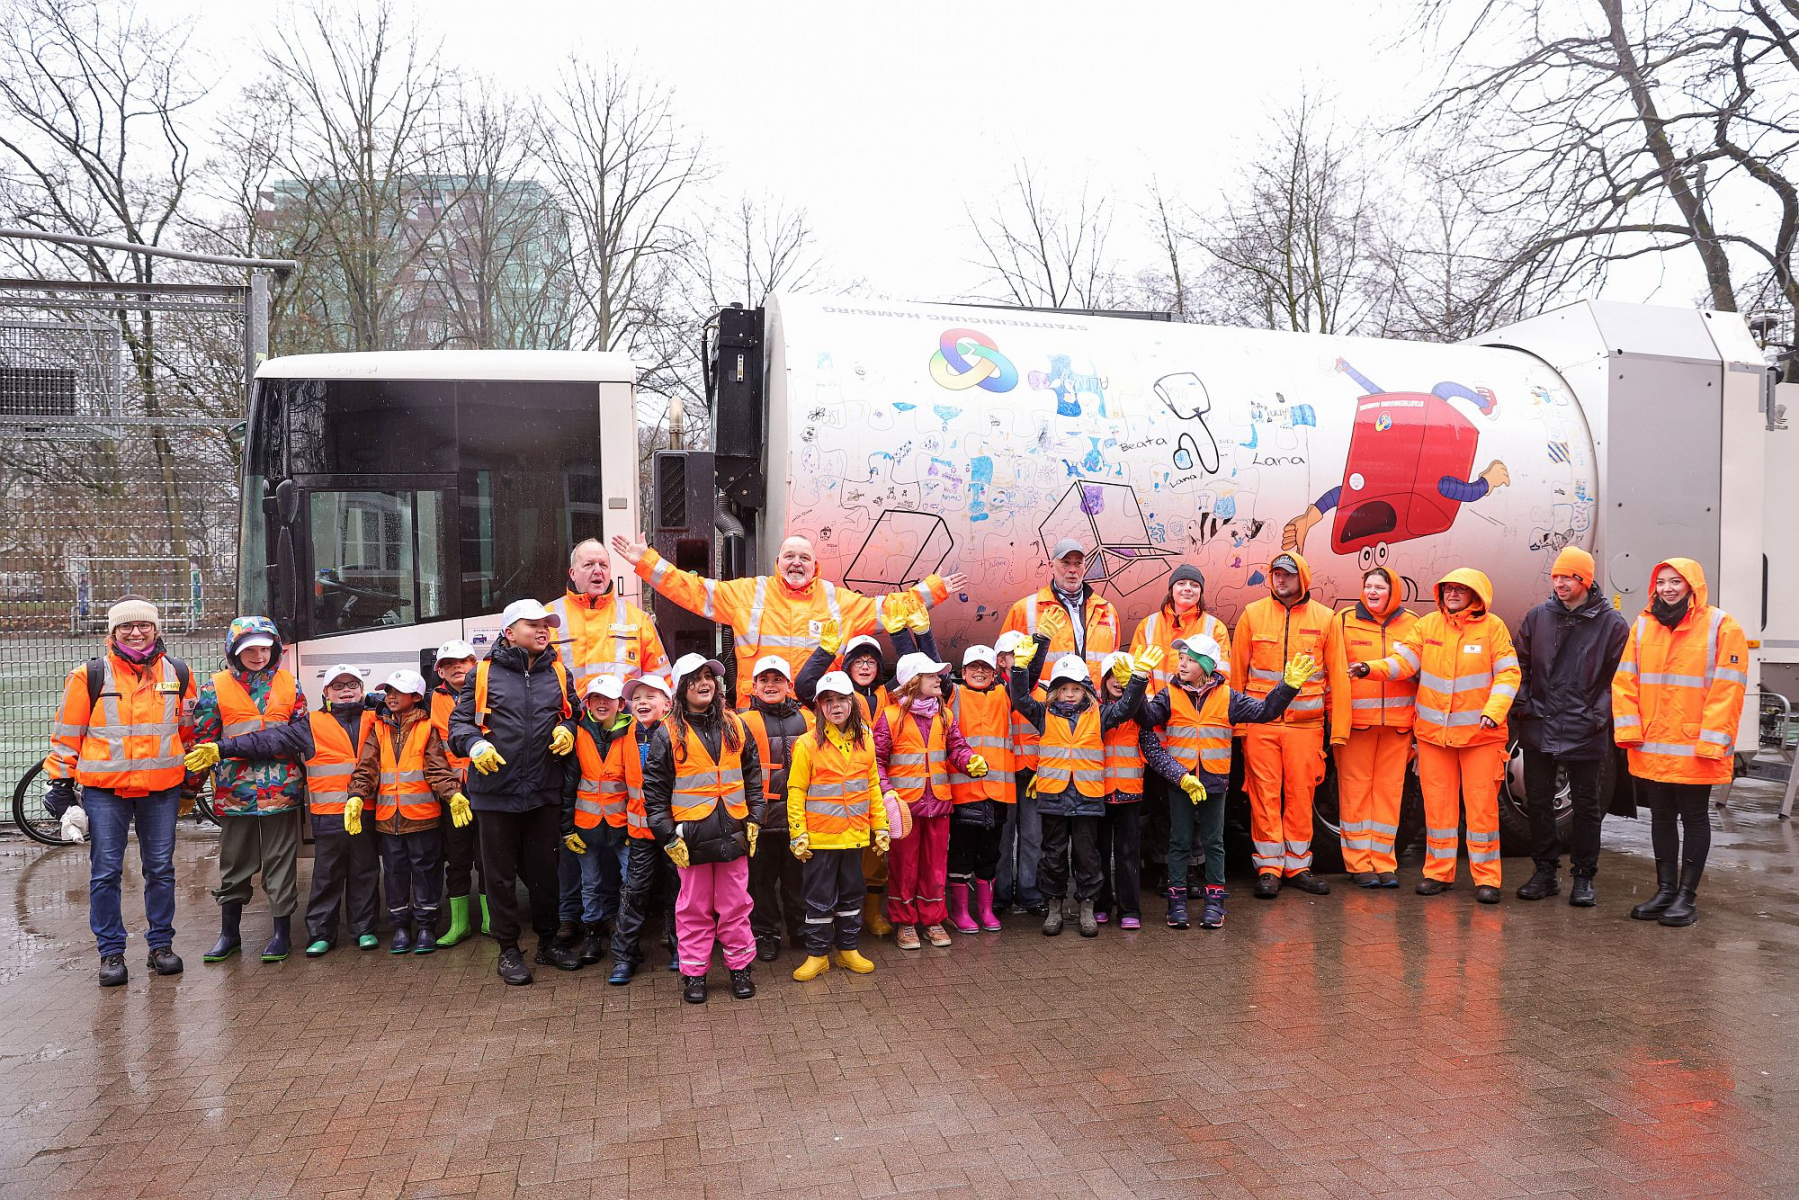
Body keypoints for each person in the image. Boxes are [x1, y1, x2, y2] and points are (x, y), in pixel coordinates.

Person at [612, 531, 964, 705]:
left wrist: (934, 590)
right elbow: (691, 590)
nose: (796, 563)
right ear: (778, 563)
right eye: (789, 556)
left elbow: (889, 609)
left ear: (815, 566)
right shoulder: (748, 593)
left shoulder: (836, 600)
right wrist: (646, 562)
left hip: (818, 713)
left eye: (804, 558)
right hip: (757, 712)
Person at [43, 597, 197, 987]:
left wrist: (193, 782)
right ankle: (111, 951)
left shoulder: (178, 672)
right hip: (104, 792)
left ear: (156, 629)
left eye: (143, 625)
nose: (135, 632)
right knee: (106, 872)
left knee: (160, 869)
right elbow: (67, 734)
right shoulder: (89, 676)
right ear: (111, 633)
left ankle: (161, 945)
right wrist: (60, 782)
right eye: (125, 627)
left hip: (161, 790)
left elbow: (190, 734)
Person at [1350, 569, 1519, 903]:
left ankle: (1487, 879)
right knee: (1438, 810)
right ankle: (1438, 873)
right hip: (1434, 738)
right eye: (1449, 589)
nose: (1453, 594)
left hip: (1480, 738)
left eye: (1460, 589)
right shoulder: (1427, 625)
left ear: (1476, 595)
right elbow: (1404, 663)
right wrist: (1372, 668)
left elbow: (1509, 673)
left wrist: (1494, 711)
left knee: (1481, 811)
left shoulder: (1493, 628)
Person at [449, 598, 581, 985]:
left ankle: (548, 942)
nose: (543, 630)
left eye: (546, 624)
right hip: (495, 792)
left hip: (542, 789)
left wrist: (566, 732)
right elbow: (459, 726)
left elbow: (571, 714)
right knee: (500, 876)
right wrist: (474, 745)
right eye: (532, 624)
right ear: (509, 633)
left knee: (545, 874)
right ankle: (508, 950)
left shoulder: (558, 672)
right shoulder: (483, 673)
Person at [1612, 558, 1748, 927]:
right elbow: (1625, 681)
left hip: (1694, 747)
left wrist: (1712, 742)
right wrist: (1628, 730)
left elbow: (1728, 690)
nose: (1668, 588)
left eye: (1676, 582)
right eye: (1662, 582)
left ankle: (1687, 897)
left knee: (1694, 816)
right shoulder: (1643, 625)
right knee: (1660, 815)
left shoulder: (1721, 626)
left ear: (1692, 586)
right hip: (1654, 743)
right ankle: (1665, 891)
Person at [1139, 637, 1309, 929]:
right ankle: (1176, 903)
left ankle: (1214, 903)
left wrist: (1287, 687)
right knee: (1178, 842)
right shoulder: (1169, 695)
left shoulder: (1228, 696)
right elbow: (1144, 715)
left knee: (1213, 843)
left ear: (1206, 666)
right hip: (1182, 781)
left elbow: (1264, 712)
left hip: (1214, 782)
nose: (1182, 664)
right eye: (1181, 658)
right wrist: (1136, 682)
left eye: (1190, 660)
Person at [186, 615, 314, 964]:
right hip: (234, 792)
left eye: (264, 648)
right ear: (234, 651)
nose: (257, 655)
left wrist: (233, 746)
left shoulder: (291, 685)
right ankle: (229, 935)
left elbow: (300, 736)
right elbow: (202, 744)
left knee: (280, 864)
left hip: (282, 794)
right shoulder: (214, 688)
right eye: (248, 649)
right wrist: (189, 790)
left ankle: (281, 934)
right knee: (235, 864)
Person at [1512, 547, 1630, 905]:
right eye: (1557, 577)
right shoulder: (1538, 617)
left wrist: (1598, 716)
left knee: (1586, 804)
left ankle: (1583, 876)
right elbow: (1519, 666)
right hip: (1539, 724)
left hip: (1586, 728)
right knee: (1540, 803)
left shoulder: (1611, 625)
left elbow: (1619, 679)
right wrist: (1523, 705)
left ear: (1585, 581)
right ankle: (1545, 872)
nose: (1560, 583)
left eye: (1568, 577)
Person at [1009, 638, 1151, 937]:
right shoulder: (1043, 714)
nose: (1070, 695)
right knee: (1053, 855)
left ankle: (1087, 906)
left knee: (1088, 856)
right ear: (1054, 692)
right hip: (1054, 796)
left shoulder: (1099, 715)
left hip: (1087, 797)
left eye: (1076, 689)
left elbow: (1126, 708)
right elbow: (1020, 698)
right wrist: (1020, 668)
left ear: (1086, 689)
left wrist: (1138, 679)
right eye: (1063, 689)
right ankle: (1055, 908)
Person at [646, 653, 765, 1003]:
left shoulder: (736, 724)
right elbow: (654, 792)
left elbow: (753, 778)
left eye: (708, 677)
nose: (704, 683)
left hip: (733, 831)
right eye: (695, 678)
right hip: (691, 838)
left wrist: (755, 818)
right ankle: (694, 974)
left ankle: (741, 969)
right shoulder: (667, 734)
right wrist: (667, 836)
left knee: (736, 906)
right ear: (682, 688)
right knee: (693, 909)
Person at [1231, 551, 1350, 899]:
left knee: (1301, 796)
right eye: (1276, 574)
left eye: (1288, 575)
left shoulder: (1326, 619)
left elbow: (1337, 678)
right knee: (1263, 796)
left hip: (1305, 727)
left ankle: (1298, 865)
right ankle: (1268, 868)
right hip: (1260, 727)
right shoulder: (1253, 614)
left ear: (1303, 579)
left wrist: (1338, 729)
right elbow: (1238, 675)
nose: (1280, 580)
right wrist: (1239, 727)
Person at [348, 670, 466, 954]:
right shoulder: (378, 728)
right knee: (394, 874)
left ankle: (426, 926)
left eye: (397, 692)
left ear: (415, 697)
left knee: (427, 872)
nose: (390, 696)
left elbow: (437, 768)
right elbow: (367, 768)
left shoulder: (427, 728)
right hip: (388, 822)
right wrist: (355, 795)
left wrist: (453, 794)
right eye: (388, 691)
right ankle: (400, 926)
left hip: (423, 819)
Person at [1130, 564, 1230, 896]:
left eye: (1194, 585)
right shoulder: (1149, 626)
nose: (1187, 589)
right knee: (1164, 808)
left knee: (1201, 809)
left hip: (1198, 733)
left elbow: (1222, 675)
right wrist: (1151, 710)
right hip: (1161, 733)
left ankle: (1193, 871)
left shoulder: (1213, 627)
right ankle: (1166, 870)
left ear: (1201, 591)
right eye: (1181, 584)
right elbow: (1136, 673)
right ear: (1171, 589)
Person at [875, 652, 986, 949]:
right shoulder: (890, 716)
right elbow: (876, 760)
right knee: (903, 866)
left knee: (935, 866)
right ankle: (905, 923)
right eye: (931, 675)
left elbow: (957, 748)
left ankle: (933, 919)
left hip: (937, 804)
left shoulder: (945, 715)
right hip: (905, 808)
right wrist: (887, 793)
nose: (939, 679)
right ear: (914, 681)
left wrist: (969, 760)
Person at [787, 670, 891, 980]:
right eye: (828, 700)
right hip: (820, 839)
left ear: (853, 702)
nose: (836, 706)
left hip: (855, 836)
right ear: (819, 706)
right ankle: (817, 955)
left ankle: (847, 950)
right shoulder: (807, 744)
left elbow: (872, 785)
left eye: (842, 699)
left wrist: (881, 825)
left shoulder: (866, 740)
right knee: (819, 900)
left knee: (851, 896)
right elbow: (797, 791)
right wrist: (798, 833)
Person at [1334, 567, 1419, 889]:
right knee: (1354, 794)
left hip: (1397, 726)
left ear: (1393, 591)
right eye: (1368, 586)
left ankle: (1384, 863)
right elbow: (1333, 672)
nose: (1372, 592)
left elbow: (1418, 668)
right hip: (1357, 725)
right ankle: (1358, 865)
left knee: (1389, 794)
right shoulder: (1343, 620)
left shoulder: (1413, 624)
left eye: (1379, 587)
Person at [302, 664, 381, 956]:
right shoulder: (310, 723)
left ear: (362, 690)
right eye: (338, 687)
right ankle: (321, 933)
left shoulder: (378, 718)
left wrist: (378, 701)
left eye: (352, 686)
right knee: (327, 875)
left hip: (367, 811)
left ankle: (364, 930)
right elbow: (272, 740)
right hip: (329, 815)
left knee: (365, 871)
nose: (346, 691)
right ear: (326, 693)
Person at [607, 674, 682, 984]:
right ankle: (625, 957)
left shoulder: (680, 734)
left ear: (667, 703)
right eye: (636, 697)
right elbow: (614, 782)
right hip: (639, 835)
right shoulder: (623, 736)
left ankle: (683, 949)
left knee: (679, 893)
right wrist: (617, 827)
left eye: (650, 696)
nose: (641, 702)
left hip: (675, 833)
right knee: (634, 893)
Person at [739, 655, 814, 961]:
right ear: (753, 686)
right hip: (761, 817)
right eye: (764, 680)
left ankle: (799, 929)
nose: (771, 686)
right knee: (761, 882)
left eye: (777, 680)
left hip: (799, 816)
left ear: (789, 685)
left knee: (798, 879)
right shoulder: (742, 721)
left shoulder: (809, 719)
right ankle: (766, 933)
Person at [557, 675, 633, 967]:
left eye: (608, 699)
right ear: (586, 703)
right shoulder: (576, 734)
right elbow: (568, 785)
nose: (602, 704)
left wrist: (634, 826)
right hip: (586, 826)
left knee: (629, 879)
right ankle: (593, 931)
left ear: (620, 704)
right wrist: (565, 829)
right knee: (591, 883)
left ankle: (624, 930)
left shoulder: (631, 731)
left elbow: (636, 783)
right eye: (596, 698)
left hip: (621, 824)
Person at [545, 537, 668, 697]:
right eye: (589, 565)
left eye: (603, 565)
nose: (598, 570)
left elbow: (661, 682)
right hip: (567, 721)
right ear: (573, 573)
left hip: (625, 720)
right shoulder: (547, 618)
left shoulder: (638, 620)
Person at [945, 645, 1013, 935]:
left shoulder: (1004, 695)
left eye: (985, 667)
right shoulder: (953, 694)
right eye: (974, 667)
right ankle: (960, 911)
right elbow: (932, 664)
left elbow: (1026, 680)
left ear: (995, 672)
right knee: (961, 855)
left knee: (989, 855)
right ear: (963, 672)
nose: (980, 671)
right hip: (963, 794)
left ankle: (985, 910)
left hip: (996, 794)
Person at [1002, 538, 1123, 687]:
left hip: (1094, 705)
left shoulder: (1107, 610)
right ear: (1051, 566)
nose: (1072, 569)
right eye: (1065, 563)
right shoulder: (1022, 609)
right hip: (1045, 703)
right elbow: (1004, 663)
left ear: (1085, 567)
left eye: (1078, 563)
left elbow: (1113, 663)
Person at [429, 639, 483, 946]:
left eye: (463, 661)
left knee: (488, 858)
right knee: (459, 858)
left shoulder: (490, 691)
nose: (457, 667)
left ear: (474, 663)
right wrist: (451, 791)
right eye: (449, 663)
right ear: (440, 672)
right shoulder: (430, 702)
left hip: (487, 786)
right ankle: (459, 924)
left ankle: (492, 921)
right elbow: (434, 751)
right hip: (454, 793)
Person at [994, 630, 1045, 916]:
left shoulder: (1044, 691)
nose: (1023, 658)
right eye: (1016, 654)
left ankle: (1029, 893)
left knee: (1032, 837)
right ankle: (1000, 895)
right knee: (1002, 837)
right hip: (1003, 774)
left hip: (1032, 774)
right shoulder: (993, 691)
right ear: (1002, 660)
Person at [1095, 651, 1147, 929]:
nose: (1117, 681)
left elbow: (1150, 736)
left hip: (1129, 793)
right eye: (1112, 675)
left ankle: (1130, 909)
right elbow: (1116, 713)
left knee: (1128, 855)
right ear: (1103, 679)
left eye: (1123, 676)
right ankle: (1102, 904)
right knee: (1099, 852)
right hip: (1098, 793)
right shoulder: (1094, 708)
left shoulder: (1139, 709)